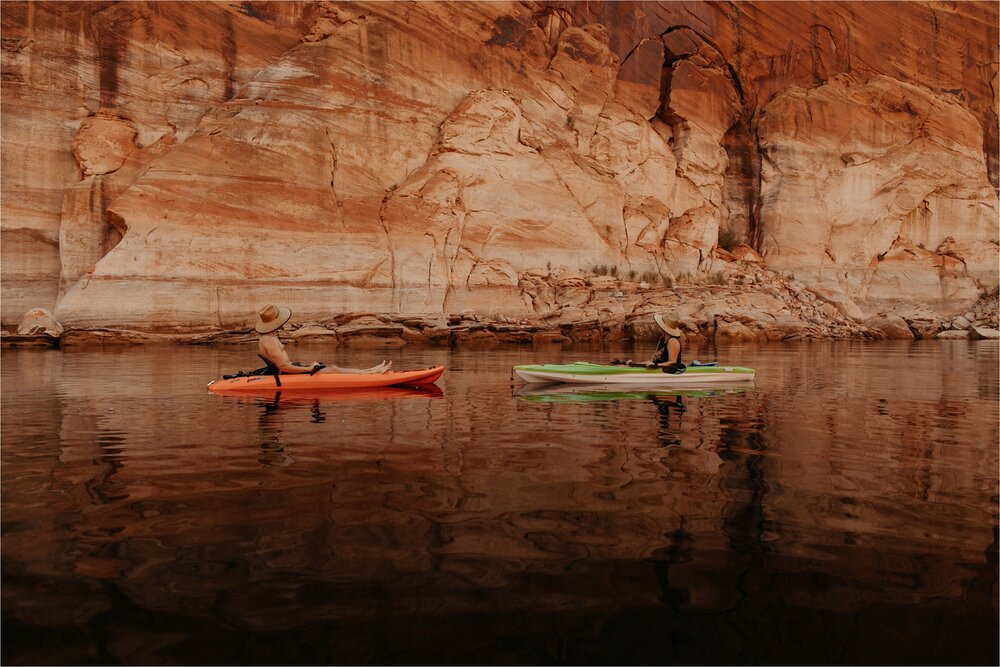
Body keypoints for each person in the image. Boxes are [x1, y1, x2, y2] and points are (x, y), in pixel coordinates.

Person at [255, 304, 391, 374]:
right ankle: (371, 374)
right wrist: (309, 369)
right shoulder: (269, 341)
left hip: (289, 371)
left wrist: (307, 366)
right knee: (333, 369)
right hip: (285, 375)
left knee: (329, 367)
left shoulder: (267, 337)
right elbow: (283, 366)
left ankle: (370, 371)